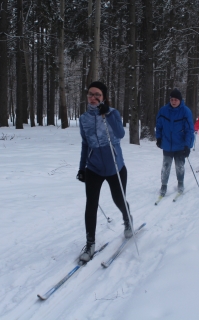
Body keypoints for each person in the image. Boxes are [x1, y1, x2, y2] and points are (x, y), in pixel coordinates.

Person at [76, 81, 133, 262]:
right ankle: (90, 243)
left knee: (119, 199)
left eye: (97, 95)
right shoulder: (84, 119)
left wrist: (107, 113)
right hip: (93, 167)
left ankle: (127, 218)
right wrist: (82, 167)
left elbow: (120, 134)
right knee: (91, 204)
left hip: (115, 166)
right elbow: (85, 144)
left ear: (104, 98)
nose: (93, 98)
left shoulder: (112, 113)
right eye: (90, 94)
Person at [155, 88, 194, 196]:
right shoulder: (163, 110)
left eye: (176, 100)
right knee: (166, 166)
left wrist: (188, 145)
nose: (173, 101)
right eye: (172, 99)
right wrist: (158, 138)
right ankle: (163, 185)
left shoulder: (186, 111)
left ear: (180, 100)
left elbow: (189, 130)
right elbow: (159, 126)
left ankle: (180, 183)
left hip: (180, 145)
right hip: (167, 144)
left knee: (180, 166)